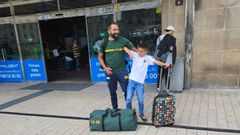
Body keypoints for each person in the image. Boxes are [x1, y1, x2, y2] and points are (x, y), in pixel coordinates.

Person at [124, 42, 169, 122]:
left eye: (141, 51)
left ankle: (141, 114)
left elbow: (156, 62)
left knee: (140, 100)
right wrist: (129, 54)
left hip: (140, 84)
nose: (139, 53)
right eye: (138, 50)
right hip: (131, 81)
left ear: (146, 51)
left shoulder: (148, 58)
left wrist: (165, 64)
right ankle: (128, 113)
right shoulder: (135, 54)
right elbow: (125, 47)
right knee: (128, 99)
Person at [96, 22, 135, 111]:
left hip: (122, 71)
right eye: (114, 30)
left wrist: (145, 56)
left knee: (126, 92)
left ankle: (129, 110)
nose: (117, 31)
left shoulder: (123, 40)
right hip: (110, 73)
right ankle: (115, 110)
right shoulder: (103, 43)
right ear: (109, 31)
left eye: (117, 29)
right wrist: (105, 68)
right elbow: (100, 57)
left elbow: (135, 50)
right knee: (112, 93)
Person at [154, 26, 177, 94]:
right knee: (167, 75)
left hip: (160, 59)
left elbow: (157, 48)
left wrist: (157, 58)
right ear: (171, 31)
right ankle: (167, 90)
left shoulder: (160, 37)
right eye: (173, 32)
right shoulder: (172, 38)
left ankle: (158, 89)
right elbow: (171, 50)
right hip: (167, 60)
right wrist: (170, 61)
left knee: (160, 74)